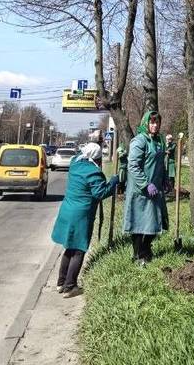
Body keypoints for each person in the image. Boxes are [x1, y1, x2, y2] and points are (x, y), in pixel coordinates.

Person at [51, 143, 118, 297]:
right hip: (81, 214)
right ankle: (70, 286)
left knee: (69, 246)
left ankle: (61, 283)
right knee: (79, 249)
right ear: (97, 158)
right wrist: (113, 182)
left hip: (67, 210)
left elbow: (78, 156)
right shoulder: (94, 172)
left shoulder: (75, 163)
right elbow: (100, 193)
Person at [123, 111, 168, 266]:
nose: (155, 125)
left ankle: (145, 249)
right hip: (140, 190)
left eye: (157, 122)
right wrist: (145, 184)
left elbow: (161, 163)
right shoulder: (139, 141)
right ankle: (139, 255)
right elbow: (133, 166)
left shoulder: (159, 140)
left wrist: (165, 179)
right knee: (139, 223)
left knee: (154, 221)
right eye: (152, 122)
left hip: (155, 188)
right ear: (146, 124)